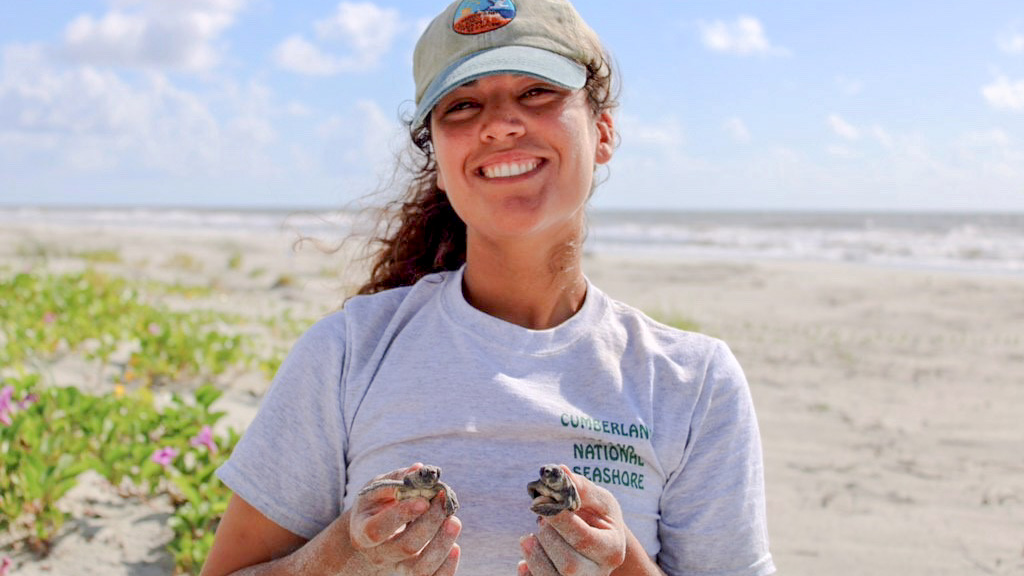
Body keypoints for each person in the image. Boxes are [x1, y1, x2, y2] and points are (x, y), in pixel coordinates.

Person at [200, 0, 775, 574]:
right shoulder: (348, 354)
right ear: (438, 160)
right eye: (464, 105)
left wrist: (624, 564)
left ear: (602, 132)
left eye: (536, 93)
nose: (499, 124)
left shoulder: (692, 383)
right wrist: (340, 557)